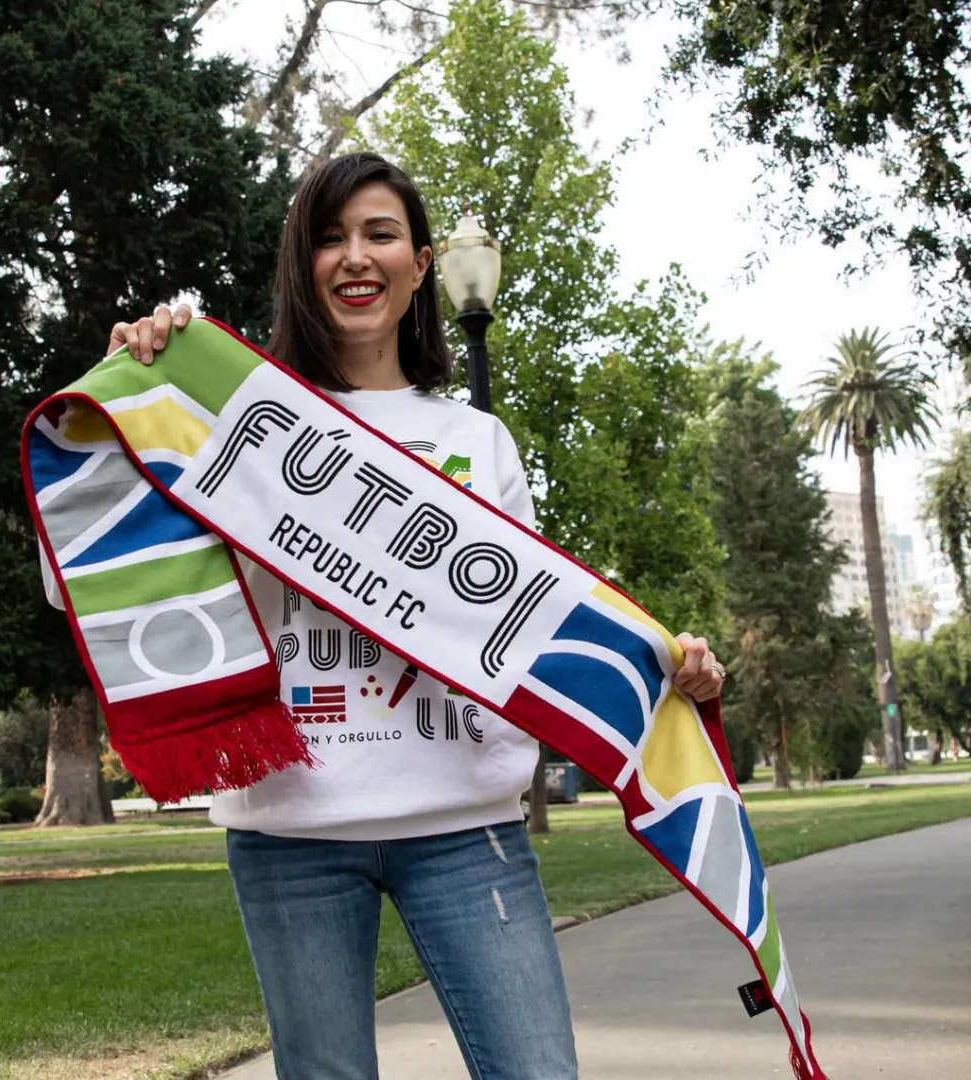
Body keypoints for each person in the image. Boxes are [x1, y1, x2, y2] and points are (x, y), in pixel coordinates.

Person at [89, 153, 726, 1079]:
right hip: (290, 832)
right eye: (329, 237)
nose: (356, 257)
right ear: (299, 265)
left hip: (467, 828)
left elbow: (534, 625)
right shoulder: (223, 420)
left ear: (420, 264)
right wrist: (127, 404)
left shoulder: (478, 440)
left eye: (380, 234)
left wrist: (659, 663)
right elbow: (109, 575)